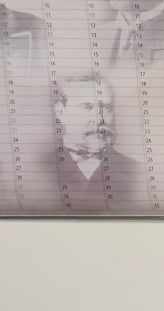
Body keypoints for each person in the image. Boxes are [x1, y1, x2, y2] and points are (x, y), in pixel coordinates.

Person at [50, 74, 142, 211]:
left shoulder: (136, 173)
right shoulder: (41, 169)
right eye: (87, 107)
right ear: (60, 112)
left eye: (107, 108)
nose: (100, 119)